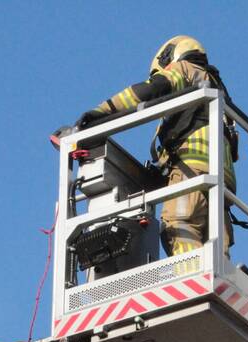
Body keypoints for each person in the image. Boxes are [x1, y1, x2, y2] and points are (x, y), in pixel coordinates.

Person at [75, 35, 238, 258]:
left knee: (179, 228)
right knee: (216, 247)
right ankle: (215, 286)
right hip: (221, 181)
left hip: (192, 170)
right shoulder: (217, 93)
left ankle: (195, 284)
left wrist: (101, 112)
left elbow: (151, 89)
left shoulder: (186, 69)